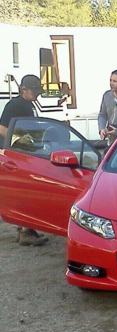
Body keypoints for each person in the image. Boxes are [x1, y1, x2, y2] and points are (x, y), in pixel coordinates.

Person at [0, 75, 49, 246]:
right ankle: (24, 231)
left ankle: (27, 229)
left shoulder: (28, 105)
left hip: (29, 154)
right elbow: (2, 128)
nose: (37, 94)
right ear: (24, 90)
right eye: (34, 91)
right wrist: (21, 139)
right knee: (24, 191)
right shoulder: (14, 105)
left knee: (29, 191)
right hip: (17, 155)